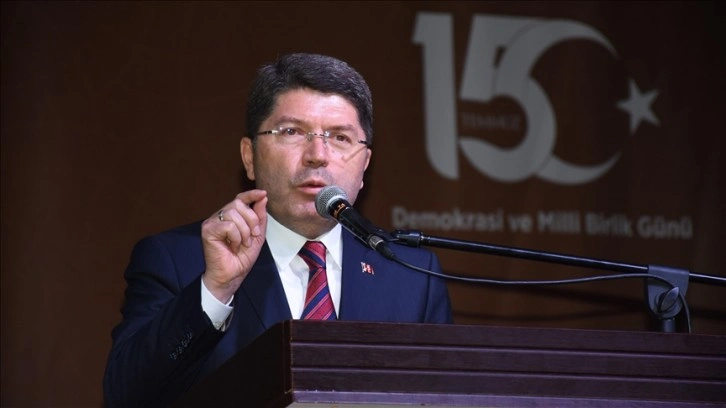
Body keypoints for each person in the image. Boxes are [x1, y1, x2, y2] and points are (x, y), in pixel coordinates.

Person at [103, 53, 452, 407]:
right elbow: (125, 395)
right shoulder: (179, 260)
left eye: (340, 137)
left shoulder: (411, 276)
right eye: (292, 132)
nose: (318, 154)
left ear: (364, 166)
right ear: (249, 157)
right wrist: (215, 289)